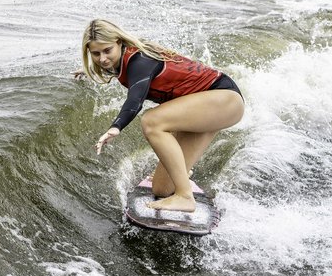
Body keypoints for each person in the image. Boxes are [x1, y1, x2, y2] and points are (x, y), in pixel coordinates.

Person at [74, 19, 244, 213]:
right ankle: (182, 178)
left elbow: (135, 100)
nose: (102, 58)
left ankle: (184, 196)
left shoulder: (140, 61)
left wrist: (116, 126)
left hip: (225, 100)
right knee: (162, 189)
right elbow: (118, 69)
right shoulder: (123, 61)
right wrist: (90, 71)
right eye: (96, 54)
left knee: (151, 121)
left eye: (107, 51)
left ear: (119, 43)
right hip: (206, 107)